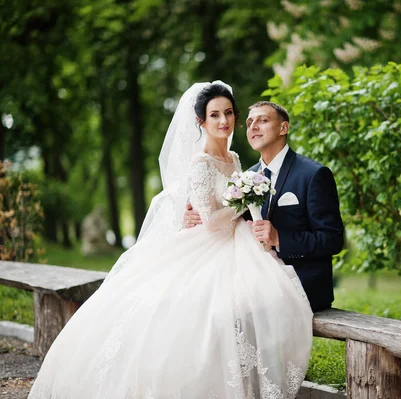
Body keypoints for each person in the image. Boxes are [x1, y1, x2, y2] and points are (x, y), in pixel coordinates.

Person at [28, 82, 313, 399]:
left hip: (239, 243)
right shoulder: (200, 161)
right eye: (214, 115)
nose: (224, 121)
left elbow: (229, 206)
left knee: (265, 298)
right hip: (210, 244)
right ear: (201, 122)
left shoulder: (234, 158)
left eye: (229, 113)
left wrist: (242, 204)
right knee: (203, 313)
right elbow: (210, 220)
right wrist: (242, 203)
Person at [184, 101, 344, 312]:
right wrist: (194, 218)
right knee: (204, 298)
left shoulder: (313, 175)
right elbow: (231, 223)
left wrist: (279, 238)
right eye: (250, 123)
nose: (253, 127)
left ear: (283, 128)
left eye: (263, 120)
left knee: (233, 306)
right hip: (255, 275)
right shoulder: (247, 177)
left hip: (300, 282)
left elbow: (332, 240)